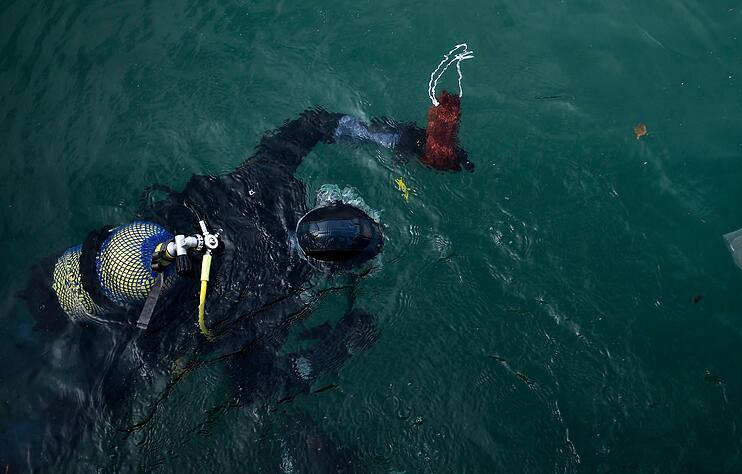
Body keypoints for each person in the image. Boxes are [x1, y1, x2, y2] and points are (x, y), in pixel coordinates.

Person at [5, 107, 472, 470]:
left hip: (99, 283)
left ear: (320, 207)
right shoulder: (276, 298)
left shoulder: (266, 183)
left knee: (22, 349)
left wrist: (397, 138)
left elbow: (310, 124)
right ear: (330, 269)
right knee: (55, 429)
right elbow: (256, 385)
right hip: (132, 345)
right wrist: (336, 347)